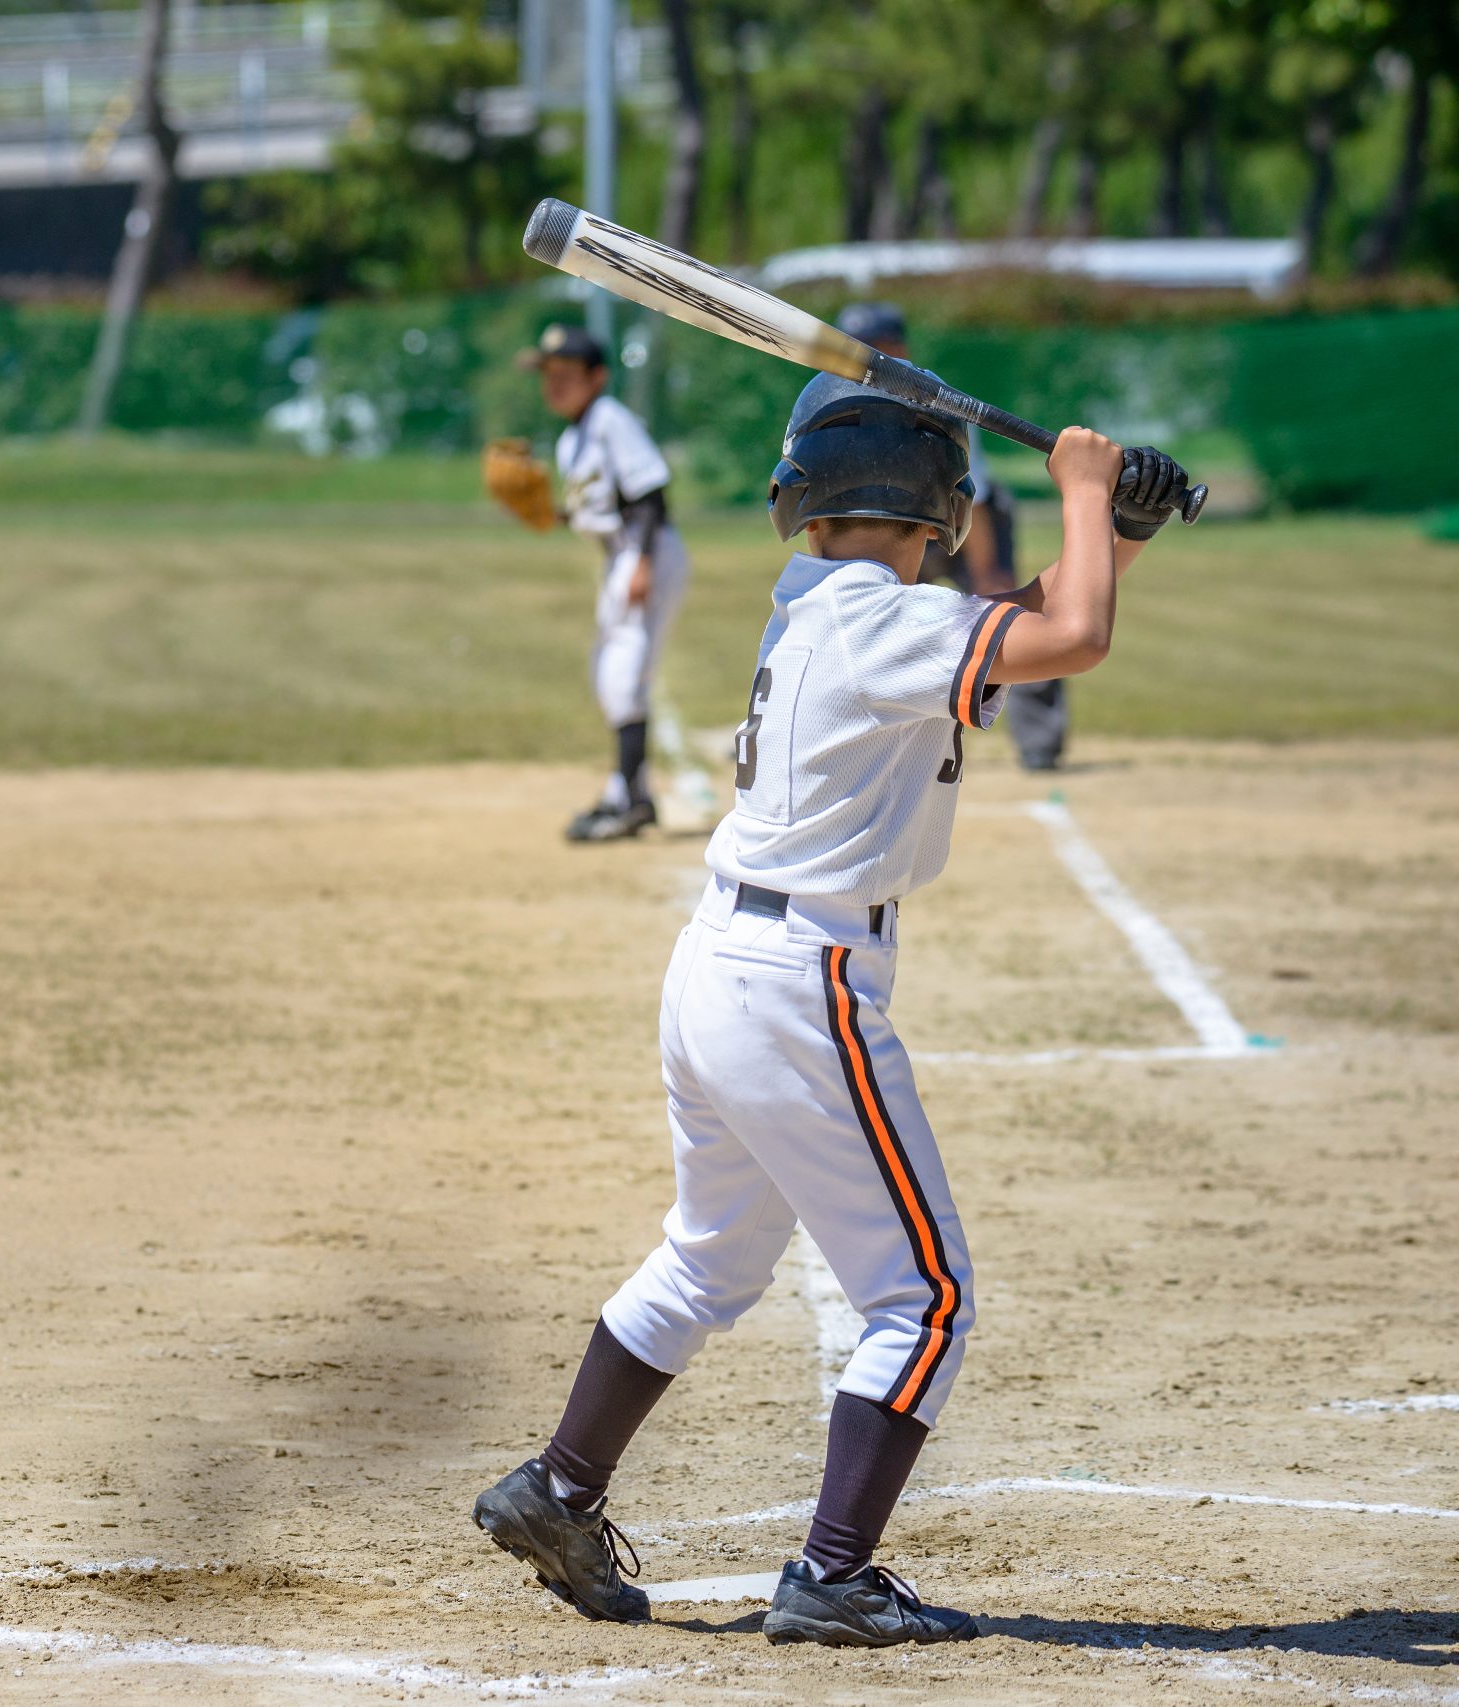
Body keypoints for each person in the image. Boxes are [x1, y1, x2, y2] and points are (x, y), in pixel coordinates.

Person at [469, 375, 1192, 1644]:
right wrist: (1081, 489)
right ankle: (834, 1576)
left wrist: (1113, 535)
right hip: (802, 985)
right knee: (927, 1300)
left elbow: (1022, 626)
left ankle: (559, 1487)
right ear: (941, 506)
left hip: (716, 968)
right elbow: (1067, 640)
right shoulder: (892, 624)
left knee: (707, 1260)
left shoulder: (823, 606)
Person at [837, 302, 1067, 772]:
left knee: (1012, 616)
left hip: (960, 515)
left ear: (898, 348)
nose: (863, 357)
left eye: (874, 347)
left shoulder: (933, 396)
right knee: (861, 623)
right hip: (891, 522)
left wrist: (985, 569)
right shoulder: (837, 397)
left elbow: (971, 491)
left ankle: (1040, 744)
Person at [523, 322, 690, 842]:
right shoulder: (573, 436)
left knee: (622, 678)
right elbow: (601, 510)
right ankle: (634, 795)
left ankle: (626, 800)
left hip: (647, 553)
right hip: (624, 557)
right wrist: (552, 514)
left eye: (566, 373)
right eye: (548, 374)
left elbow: (650, 495)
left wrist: (639, 563)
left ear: (596, 377)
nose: (554, 383)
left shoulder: (610, 420)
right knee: (609, 675)